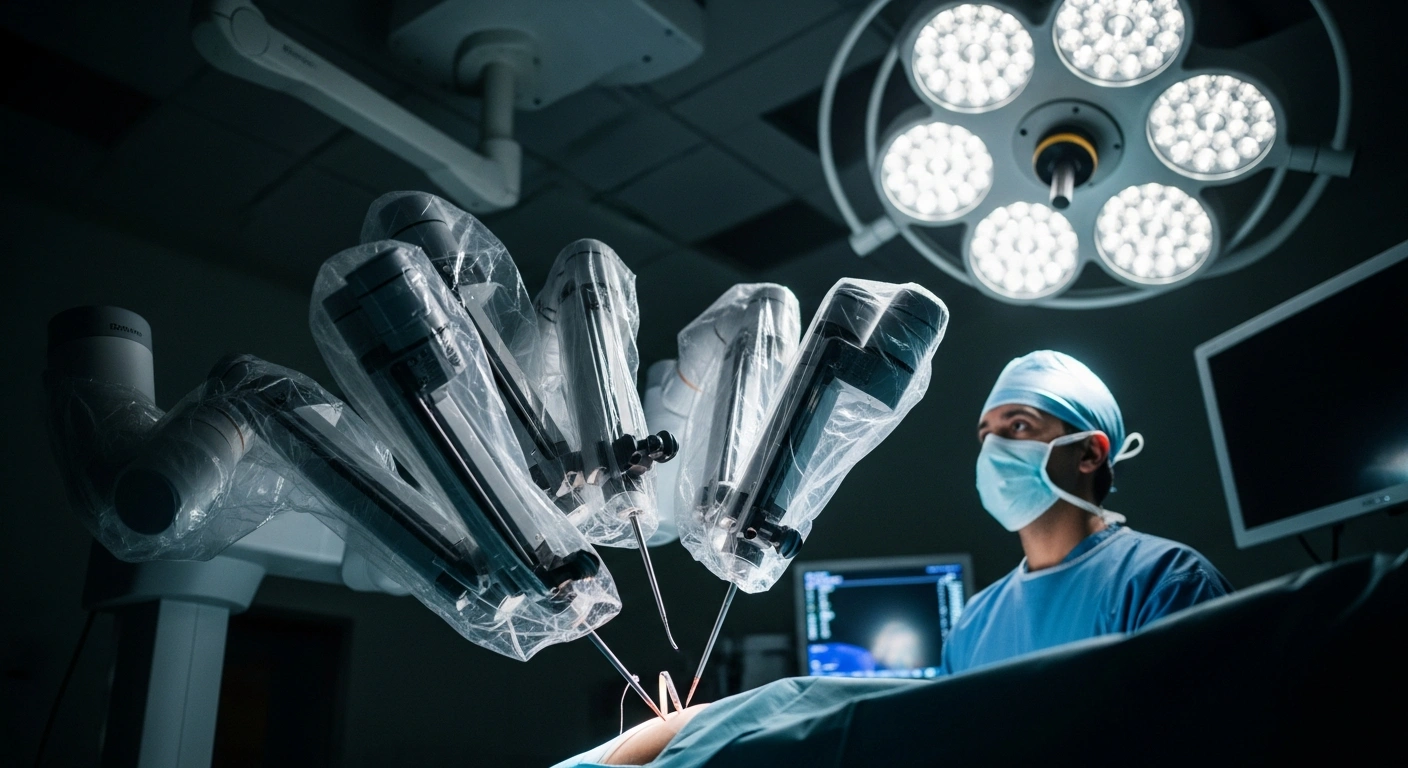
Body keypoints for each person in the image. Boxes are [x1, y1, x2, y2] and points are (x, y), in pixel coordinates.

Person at [940, 349, 1232, 674]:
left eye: (1019, 425)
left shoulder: (1166, 583)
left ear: (1089, 453)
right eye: (986, 435)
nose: (994, 449)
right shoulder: (972, 626)